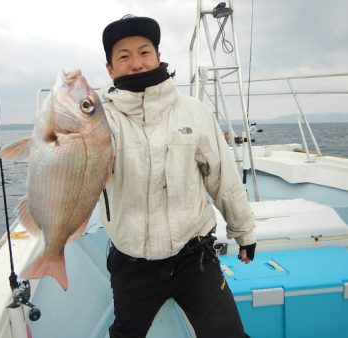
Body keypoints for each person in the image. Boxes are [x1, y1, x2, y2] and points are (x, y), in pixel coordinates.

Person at [99, 14, 256, 338]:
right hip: (131, 262)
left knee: (229, 333)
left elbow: (222, 178)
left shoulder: (193, 111)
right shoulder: (103, 120)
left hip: (193, 255)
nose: (137, 63)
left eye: (144, 52)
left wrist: (244, 231)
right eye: (124, 56)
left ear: (158, 56)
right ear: (110, 70)